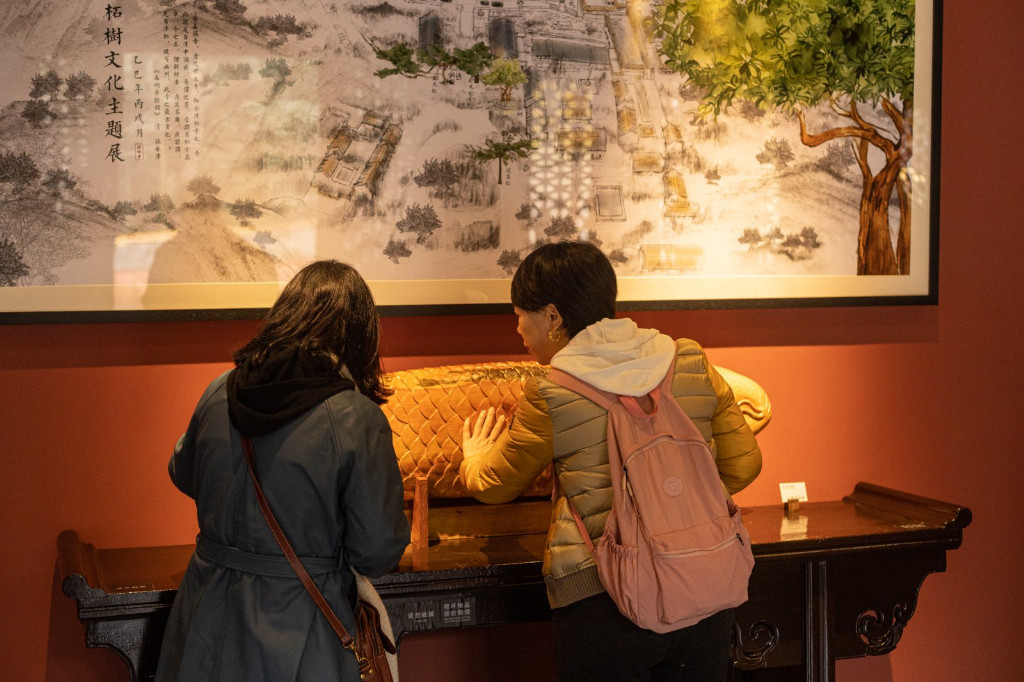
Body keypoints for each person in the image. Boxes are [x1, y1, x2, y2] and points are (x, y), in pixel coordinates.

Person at [460, 241, 762, 681]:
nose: (518, 329)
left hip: (602, 597)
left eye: (520, 315)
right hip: (702, 584)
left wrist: (473, 457)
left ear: (553, 317)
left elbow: (495, 485)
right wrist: (672, 504)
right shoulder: (690, 360)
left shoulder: (552, 391)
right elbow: (745, 465)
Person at [155, 260, 410, 682]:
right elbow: (377, 551)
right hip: (301, 624)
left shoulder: (219, 390)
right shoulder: (356, 418)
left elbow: (182, 472)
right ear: (360, 336)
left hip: (205, 615)